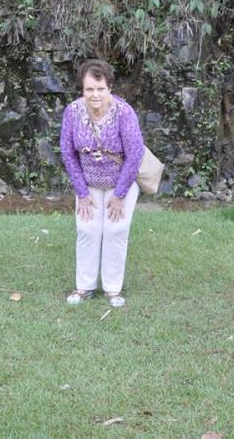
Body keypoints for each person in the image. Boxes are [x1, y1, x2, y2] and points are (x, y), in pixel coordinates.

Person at [60, 59, 145, 307]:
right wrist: (82, 192)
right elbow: (67, 152)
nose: (95, 95)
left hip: (121, 182)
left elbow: (135, 154)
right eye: (89, 89)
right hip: (88, 184)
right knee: (87, 229)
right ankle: (84, 286)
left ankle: (112, 289)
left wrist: (119, 195)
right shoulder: (72, 112)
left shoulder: (124, 112)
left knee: (116, 230)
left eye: (100, 89)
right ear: (82, 89)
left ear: (110, 88)